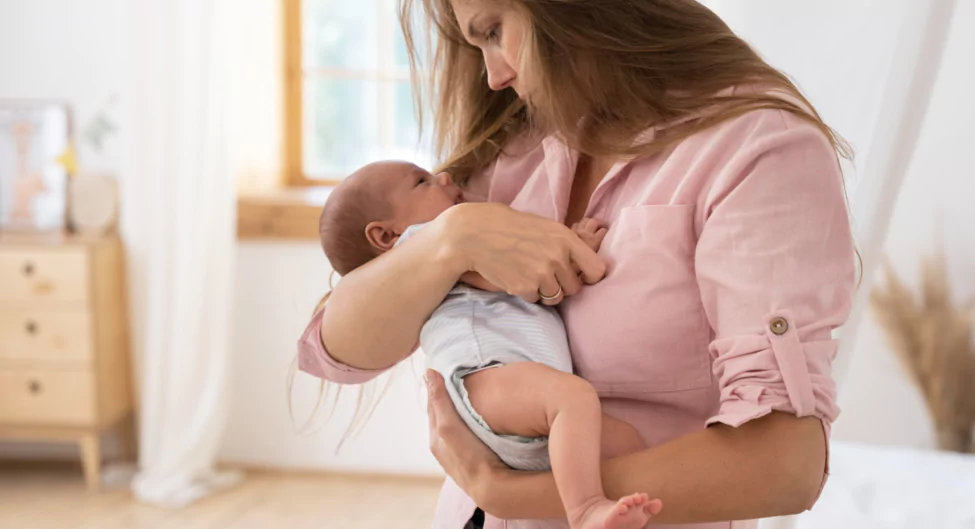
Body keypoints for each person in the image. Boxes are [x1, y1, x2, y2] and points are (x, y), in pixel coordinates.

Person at [295, 0, 857, 527]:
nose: (494, 77)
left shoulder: (754, 148)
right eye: (477, 46)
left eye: (494, 31)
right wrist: (453, 239)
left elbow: (785, 464)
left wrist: (511, 493)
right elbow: (339, 350)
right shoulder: (510, 152)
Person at [307, 160, 662, 528]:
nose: (444, 177)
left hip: (515, 394)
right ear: (385, 236)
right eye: (421, 181)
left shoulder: (447, 246)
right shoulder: (426, 242)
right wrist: (576, 247)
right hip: (485, 375)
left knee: (625, 442)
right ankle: (585, 508)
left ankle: (609, 511)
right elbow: (515, 276)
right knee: (573, 399)